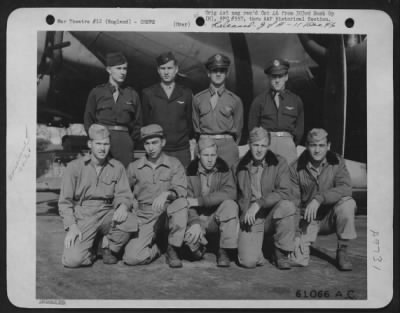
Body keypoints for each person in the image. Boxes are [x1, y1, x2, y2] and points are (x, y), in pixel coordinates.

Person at [58, 124, 138, 268]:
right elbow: (65, 202)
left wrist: (123, 206)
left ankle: (107, 245)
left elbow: (124, 194)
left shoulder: (117, 167)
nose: (102, 148)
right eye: (98, 144)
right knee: (72, 261)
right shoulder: (74, 167)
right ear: (90, 144)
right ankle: (93, 248)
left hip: (108, 212)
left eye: (106, 144)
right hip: (84, 215)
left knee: (130, 220)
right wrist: (71, 226)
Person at [289, 128, 357, 271]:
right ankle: (303, 241)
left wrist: (319, 199)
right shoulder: (295, 168)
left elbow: (345, 188)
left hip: (330, 217)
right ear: (307, 146)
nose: (317, 150)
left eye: (321, 145)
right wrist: (295, 233)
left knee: (347, 204)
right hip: (307, 219)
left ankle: (342, 250)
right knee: (297, 260)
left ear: (328, 146)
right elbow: (293, 203)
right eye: (313, 145)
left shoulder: (337, 162)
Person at [123, 124, 188, 268]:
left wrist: (167, 194)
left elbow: (182, 190)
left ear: (163, 142)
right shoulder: (135, 167)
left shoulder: (174, 164)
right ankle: (159, 248)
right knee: (131, 258)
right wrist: (131, 213)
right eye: (147, 143)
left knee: (181, 203)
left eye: (155, 143)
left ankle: (173, 248)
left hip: (167, 215)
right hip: (144, 217)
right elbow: (124, 193)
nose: (151, 148)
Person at [236, 127, 296, 270]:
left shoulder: (279, 163)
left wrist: (259, 203)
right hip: (251, 217)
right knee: (248, 262)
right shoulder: (239, 166)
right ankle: (261, 247)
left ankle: (280, 252)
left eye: (263, 146)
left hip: (271, 213)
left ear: (268, 146)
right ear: (249, 144)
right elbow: (234, 196)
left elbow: (285, 192)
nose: (259, 150)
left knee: (287, 206)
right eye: (256, 145)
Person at [183, 137, 239, 267]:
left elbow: (231, 193)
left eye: (213, 155)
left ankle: (224, 250)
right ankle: (201, 246)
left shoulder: (224, 170)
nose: (210, 159)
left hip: (215, 219)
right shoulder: (189, 172)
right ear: (198, 155)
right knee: (190, 249)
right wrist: (195, 222)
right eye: (206, 155)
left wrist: (200, 201)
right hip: (197, 220)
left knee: (230, 205)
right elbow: (186, 202)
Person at [84, 52, 142, 167]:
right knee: (101, 175)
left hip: (124, 142)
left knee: (124, 177)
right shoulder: (97, 92)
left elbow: (138, 122)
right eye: (118, 68)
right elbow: (88, 119)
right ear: (109, 70)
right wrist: (96, 140)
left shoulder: (132, 94)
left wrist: (130, 141)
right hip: (102, 141)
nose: (122, 72)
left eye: (125, 68)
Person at [142, 52, 193, 168]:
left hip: (181, 151)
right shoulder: (148, 93)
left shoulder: (186, 93)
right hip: (158, 150)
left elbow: (189, 122)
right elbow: (145, 122)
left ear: (176, 69)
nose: (166, 72)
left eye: (169, 68)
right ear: (158, 70)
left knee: (183, 184)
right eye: (163, 68)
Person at [248, 58, 304, 164]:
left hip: (287, 145)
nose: (277, 80)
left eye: (280, 76)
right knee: (265, 177)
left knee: (288, 177)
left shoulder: (295, 100)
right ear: (269, 77)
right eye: (274, 76)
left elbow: (300, 128)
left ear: (286, 77)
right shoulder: (259, 101)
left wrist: (289, 142)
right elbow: (252, 128)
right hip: (266, 145)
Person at [192, 53, 244, 168]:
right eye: (215, 70)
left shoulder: (235, 100)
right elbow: (196, 126)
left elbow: (238, 129)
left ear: (227, 73)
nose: (218, 74)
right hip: (205, 144)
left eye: (222, 70)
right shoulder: (198, 98)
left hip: (227, 147)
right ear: (208, 73)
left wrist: (229, 144)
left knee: (229, 180)